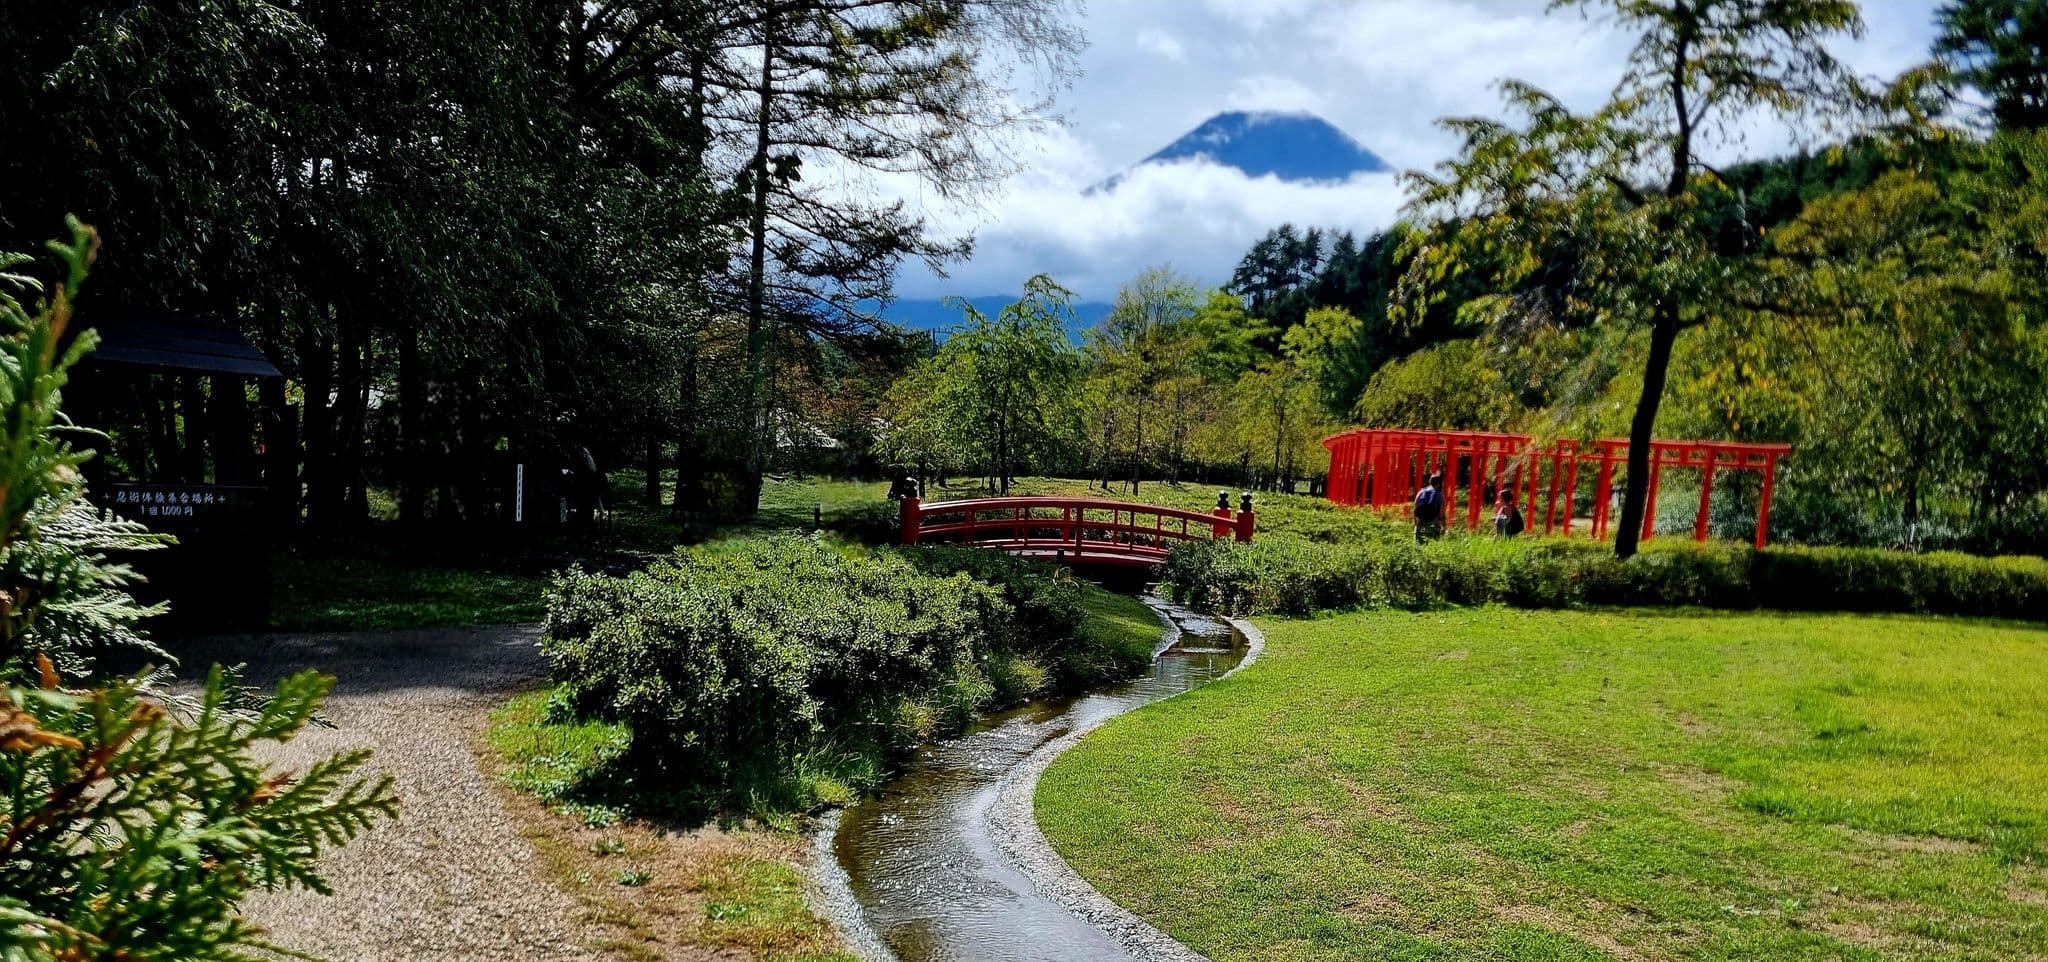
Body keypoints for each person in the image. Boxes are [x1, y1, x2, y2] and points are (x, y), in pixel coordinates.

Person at [1413, 472, 1445, 543]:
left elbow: (1415, 506)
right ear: (1439, 483)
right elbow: (1441, 511)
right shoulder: (1440, 494)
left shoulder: (1421, 492)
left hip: (1420, 520)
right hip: (1433, 521)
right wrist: (1443, 525)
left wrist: (1415, 521)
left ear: (1429, 482)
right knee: (1433, 542)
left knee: (1418, 542)